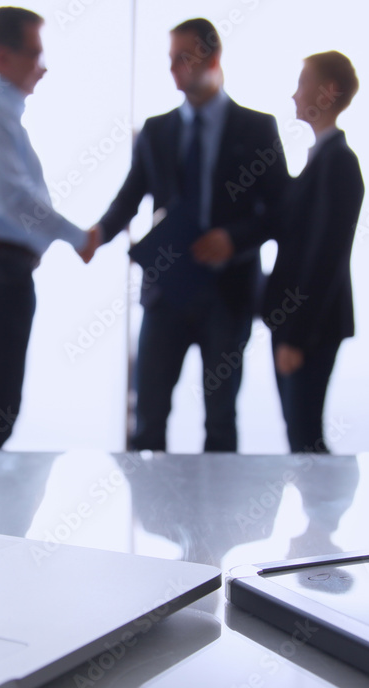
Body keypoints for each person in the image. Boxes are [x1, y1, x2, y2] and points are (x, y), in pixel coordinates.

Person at [92, 18, 288, 453]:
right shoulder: (157, 130)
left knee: (220, 420)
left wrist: (233, 239)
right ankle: (147, 518)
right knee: (148, 419)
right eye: (171, 60)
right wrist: (97, 234)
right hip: (167, 290)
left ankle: (215, 521)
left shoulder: (257, 129)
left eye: (184, 58)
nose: (175, 69)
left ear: (213, 59)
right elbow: (130, 196)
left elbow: (279, 212)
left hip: (228, 292)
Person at [0, 6, 99, 453]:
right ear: (2, 57)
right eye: (34, 54)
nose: (42, 67)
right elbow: (12, 200)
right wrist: (78, 237)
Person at [262, 51, 363, 453]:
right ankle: (320, 515)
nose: (294, 94)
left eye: (302, 82)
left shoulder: (340, 164)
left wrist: (296, 338)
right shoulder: (319, 160)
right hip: (298, 324)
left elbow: (326, 259)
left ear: (329, 91)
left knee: (306, 435)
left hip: (310, 328)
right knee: (299, 432)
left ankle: (327, 515)